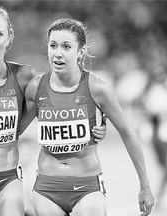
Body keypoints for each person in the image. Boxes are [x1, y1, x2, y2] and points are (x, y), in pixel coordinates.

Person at [0, 6, 107, 216]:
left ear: (9, 37)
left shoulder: (24, 76)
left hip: (7, 180)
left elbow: (58, 98)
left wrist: (99, 122)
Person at [23, 18, 154, 216]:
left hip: (86, 187)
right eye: (53, 45)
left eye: (66, 46)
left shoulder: (98, 88)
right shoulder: (36, 87)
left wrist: (144, 185)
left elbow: (128, 134)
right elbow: (13, 130)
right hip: (46, 188)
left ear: (80, 52)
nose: (57, 53)